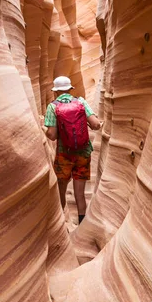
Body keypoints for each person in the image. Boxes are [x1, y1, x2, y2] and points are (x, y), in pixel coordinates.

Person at [43, 76, 102, 224]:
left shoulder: (53, 107)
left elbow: (52, 135)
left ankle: (62, 224)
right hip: (83, 154)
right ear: (70, 89)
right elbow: (95, 124)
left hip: (65, 155)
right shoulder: (81, 102)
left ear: (56, 92)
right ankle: (81, 223)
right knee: (80, 193)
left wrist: (43, 128)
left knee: (61, 190)